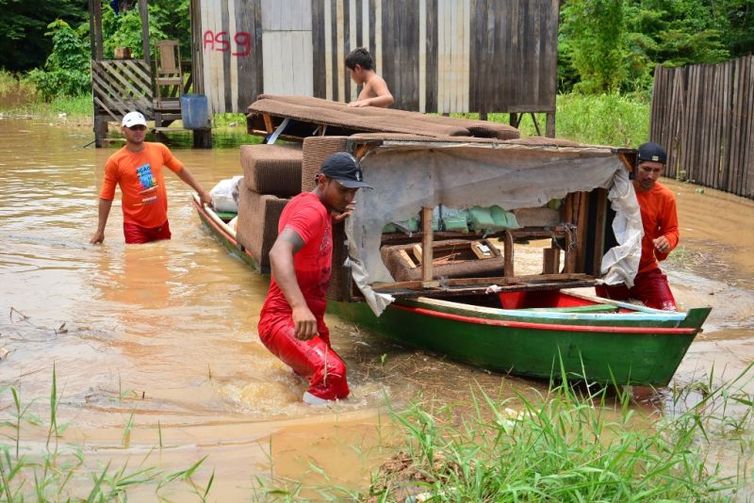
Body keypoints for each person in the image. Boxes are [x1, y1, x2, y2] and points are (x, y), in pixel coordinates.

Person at [257, 152, 373, 404]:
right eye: (343, 190)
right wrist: (298, 307)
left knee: (338, 387)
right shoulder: (312, 212)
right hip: (284, 318)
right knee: (332, 373)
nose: (349, 198)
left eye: (354, 191)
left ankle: (306, 410)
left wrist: (332, 217)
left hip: (308, 319)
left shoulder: (317, 208)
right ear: (322, 181)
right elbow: (278, 251)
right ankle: (309, 432)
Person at [90, 111, 212, 245]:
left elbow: (180, 170)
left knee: (162, 260)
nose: (138, 131)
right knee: (138, 260)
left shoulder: (159, 150)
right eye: (133, 128)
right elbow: (106, 197)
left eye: (141, 127)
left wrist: (202, 192)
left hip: (161, 223)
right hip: (135, 227)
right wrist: (100, 231)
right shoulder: (115, 161)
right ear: (123, 129)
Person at [597, 142, 679, 310]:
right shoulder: (617, 190)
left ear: (663, 170)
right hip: (614, 269)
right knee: (614, 314)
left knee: (669, 311)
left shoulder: (666, 197)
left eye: (656, 171)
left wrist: (667, 241)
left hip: (646, 270)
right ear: (634, 166)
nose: (651, 176)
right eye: (646, 169)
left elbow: (672, 231)